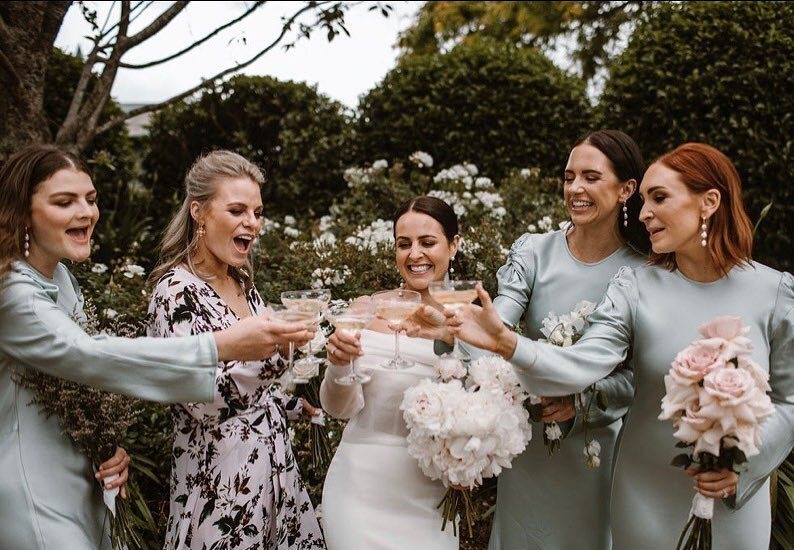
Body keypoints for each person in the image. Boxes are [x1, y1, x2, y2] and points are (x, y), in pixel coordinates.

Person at [449, 143, 794, 549]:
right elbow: (583, 363)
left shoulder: (776, 294)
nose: (643, 214)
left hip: (730, 498)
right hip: (644, 494)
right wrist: (506, 342)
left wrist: (741, 467)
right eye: (642, 201)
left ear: (709, 202)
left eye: (658, 198)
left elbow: (792, 402)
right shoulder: (634, 286)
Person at [0, 145, 307, 550]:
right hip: (31, 485)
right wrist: (221, 345)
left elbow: (75, 384)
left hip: (86, 481)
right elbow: (88, 354)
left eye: (90, 199)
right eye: (65, 201)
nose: (86, 212)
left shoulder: (58, 277)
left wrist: (104, 447)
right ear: (23, 211)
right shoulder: (13, 293)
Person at [407, 129, 650, 549]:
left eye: (591, 177)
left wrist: (580, 403)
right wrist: (455, 332)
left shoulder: (644, 273)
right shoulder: (534, 252)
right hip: (526, 443)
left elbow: (638, 378)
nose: (575, 188)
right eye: (569, 176)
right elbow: (499, 320)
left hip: (593, 450)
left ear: (627, 188)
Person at [147, 150, 325, 549]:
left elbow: (253, 387)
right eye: (237, 210)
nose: (252, 223)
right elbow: (201, 398)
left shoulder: (243, 282)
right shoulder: (174, 292)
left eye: (258, 212)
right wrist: (279, 347)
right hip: (222, 490)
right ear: (199, 213)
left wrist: (293, 404)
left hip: (276, 477)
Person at [320, 196, 461, 550]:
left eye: (427, 243)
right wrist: (338, 365)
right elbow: (338, 408)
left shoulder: (472, 319)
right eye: (404, 244)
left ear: (454, 245)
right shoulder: (365, 309)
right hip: (358, 492)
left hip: (432, 497)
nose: (414, 254)